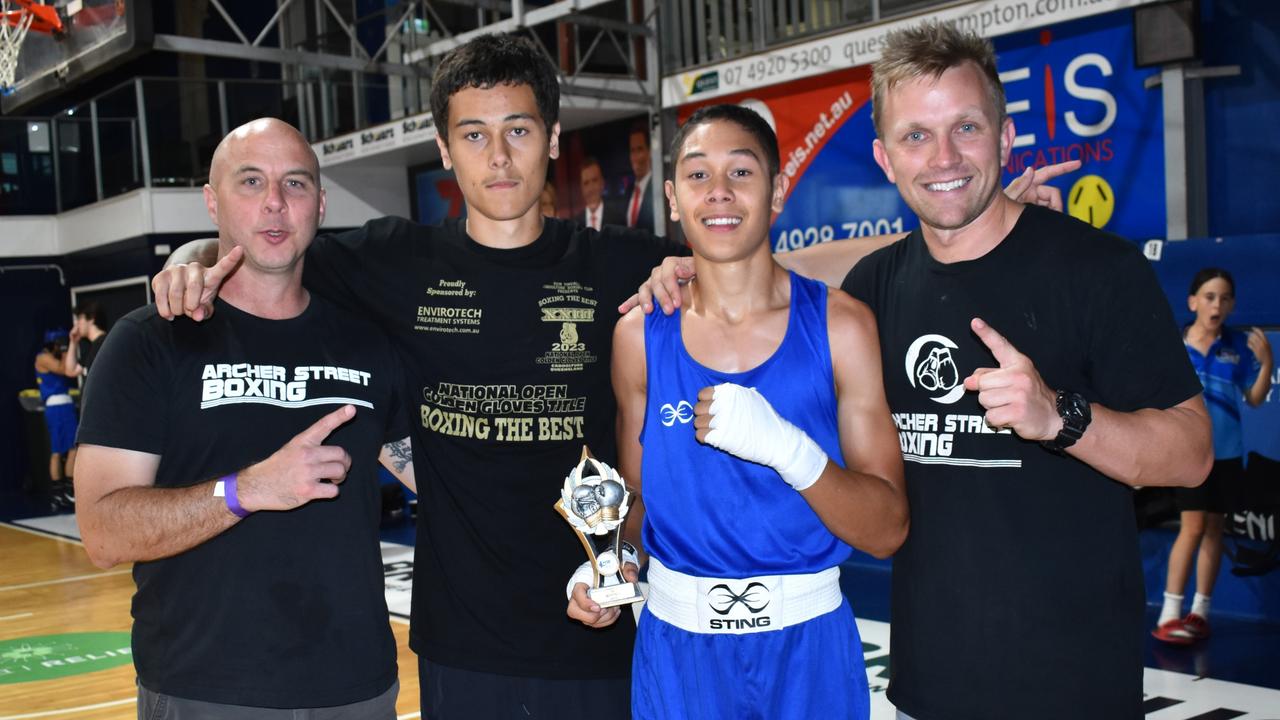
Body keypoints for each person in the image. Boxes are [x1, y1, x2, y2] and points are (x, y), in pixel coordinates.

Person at [151, 32, 1072, 719]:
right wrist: (198, 252)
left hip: (607, 624)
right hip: (460, 635)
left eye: (518, 129)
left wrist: (969, 224)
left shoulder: (630, 269)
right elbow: (277, 243)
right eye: (473, 134)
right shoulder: (395, 259)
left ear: (553, 138)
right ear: (444, 151)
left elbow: (765, 268)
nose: (498, 154)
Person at [631, 22, 1211, 720]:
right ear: (884, 156)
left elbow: (1192, 454)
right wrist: (694, 259)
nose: (943, 156)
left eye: (965, 127)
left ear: (1003, 138)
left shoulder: (1097, 271)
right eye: (915, 136)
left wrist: (1060, 417)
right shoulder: (875, 290)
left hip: (1074, 687)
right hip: (927, 688)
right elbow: (770, 276)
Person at [571, 104, 906, 720]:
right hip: (678, 654)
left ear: (777, 190)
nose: (719, 192)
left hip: (808, 651)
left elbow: (886, 529)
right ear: (671, 197)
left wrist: (790, 451)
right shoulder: (638, 337)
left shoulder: (842, 327)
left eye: (741, 173)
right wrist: (608, 565)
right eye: (698, 175)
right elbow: (642, 505)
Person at [75, 118, 415, 718]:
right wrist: (247, 490)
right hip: (205, 689)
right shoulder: (150, 341)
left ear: (320, 203)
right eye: (251, 182)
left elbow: (439, 477)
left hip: (357, 687)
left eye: (296, 184)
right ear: (212, 201)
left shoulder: (368, 343)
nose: (275, 203)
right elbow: (103, 531)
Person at [1153, 268, 1273, 645]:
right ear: (1192, 302)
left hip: (1228, 456)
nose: (1216, 304)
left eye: (1223, 298)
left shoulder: (1236, 347)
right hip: (1189, 455)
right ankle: (1170, 613)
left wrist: (1266, 363)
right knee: (1192, 527)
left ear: (1232, 305)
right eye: (1208, 296)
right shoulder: (1173, 346)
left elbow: (1254, 399)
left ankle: (1199, 612)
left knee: (1215, 530)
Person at [34, 329, 78, 508]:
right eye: (58, 343)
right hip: (56, 406)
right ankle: (60, 492)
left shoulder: (56, 355)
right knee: (59, 451)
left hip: (66, 404)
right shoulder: (42, 358)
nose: (60, 347)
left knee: (72, 448)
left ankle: (67, 490)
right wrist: (69, 348)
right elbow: (65, 370)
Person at [64, 301, 108, 379]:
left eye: (79, 318)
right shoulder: (91, 348)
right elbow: (70, 371)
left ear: (91, 318)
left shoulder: (104, 343)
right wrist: (73, 342)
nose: (76, 324)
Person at [625, 122, 655, 233]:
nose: (635, 157)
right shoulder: (628, 191)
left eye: (640, 149)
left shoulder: (658, 188)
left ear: (649, 151)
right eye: (632, 151)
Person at [579, 156, 623, 230]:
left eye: (594, 180)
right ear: (581, 188)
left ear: (602, 183)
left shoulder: (618, 220)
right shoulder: (575, 225)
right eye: (586, 183)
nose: (591, 189)